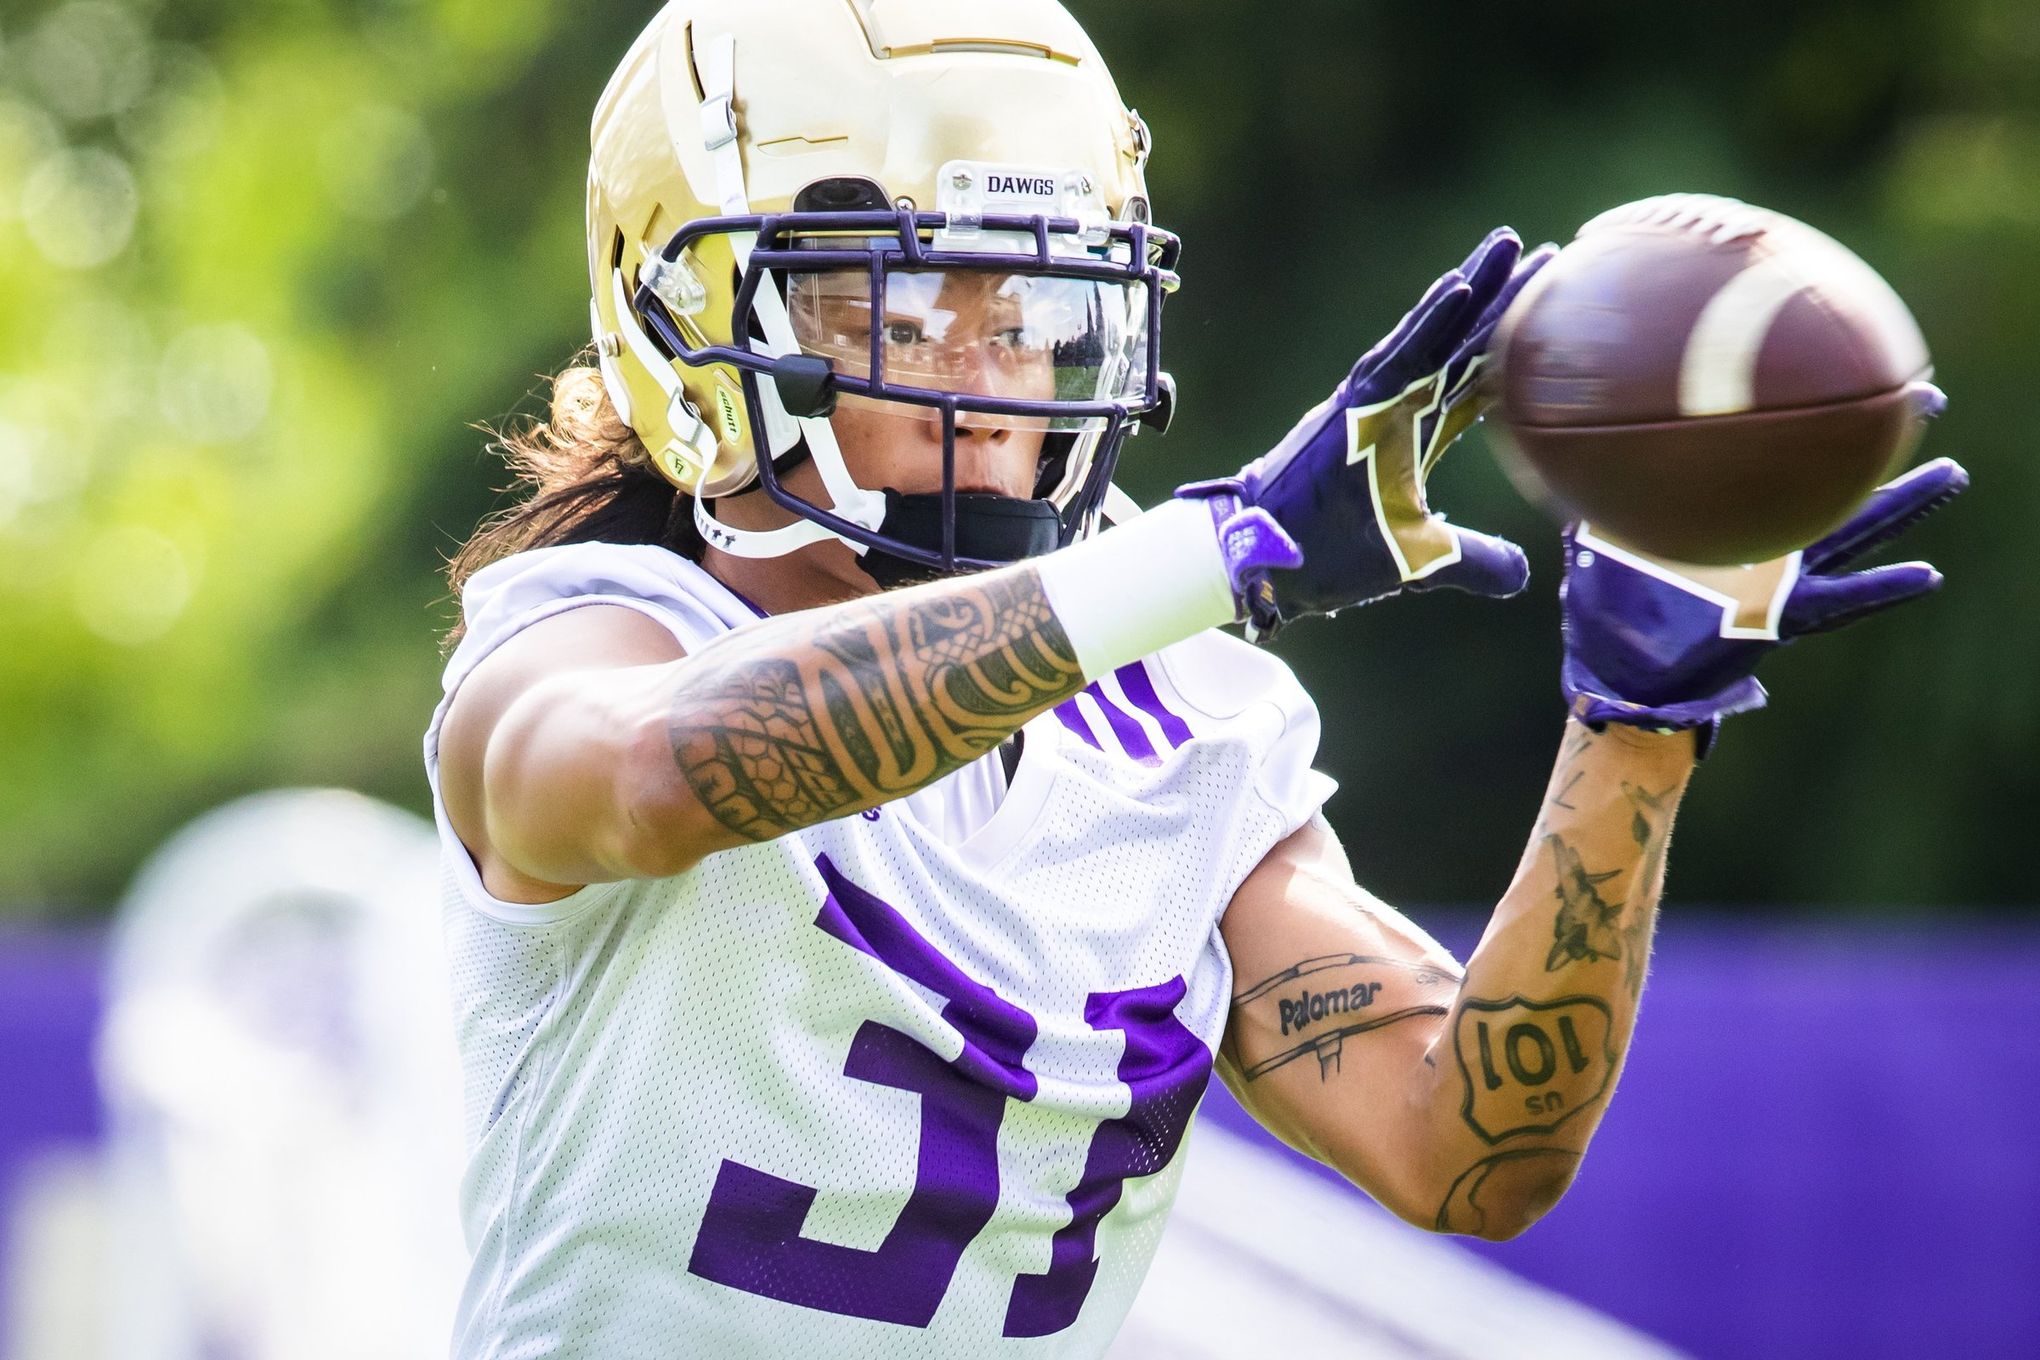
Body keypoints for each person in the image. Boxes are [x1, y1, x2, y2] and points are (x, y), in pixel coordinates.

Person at [424, 1, 1966, 1355]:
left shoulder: (1188, 727)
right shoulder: (589, 631)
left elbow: (1468, 1146)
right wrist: (1210, 558)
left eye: (1028, 306)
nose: (988, 373)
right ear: (695, 323)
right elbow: (658, 774)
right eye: (898, 304)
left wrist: (1635, 726)